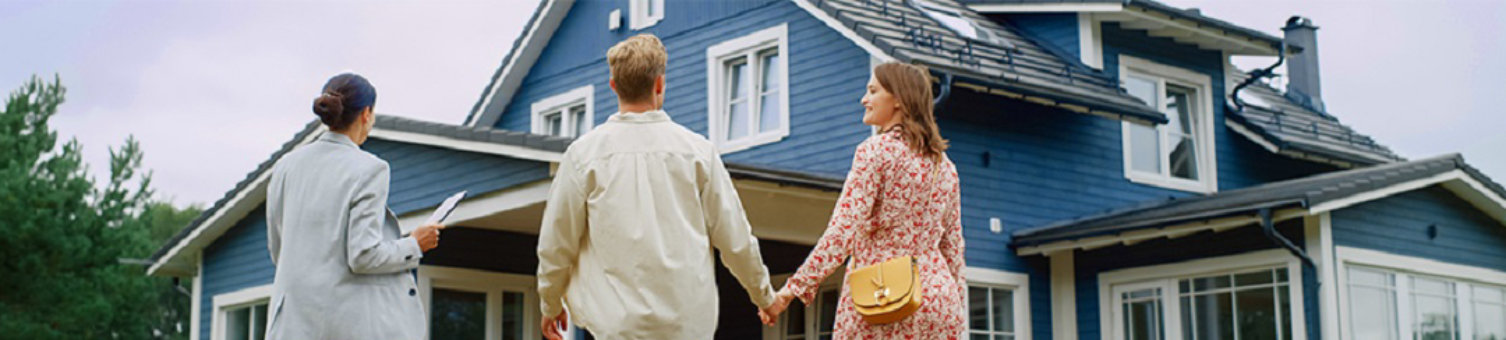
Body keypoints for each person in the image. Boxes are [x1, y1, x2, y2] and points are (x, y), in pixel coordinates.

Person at [535, 34, 780, 340]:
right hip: (688, 328)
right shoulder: (698, 152)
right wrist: (764, 297)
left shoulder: (583, 156)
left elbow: (556, 242)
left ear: (613, 86)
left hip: (617, 329)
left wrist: (550, 302)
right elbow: (735, 239)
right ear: (660, 84)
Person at [759, 62, 967, 338]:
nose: (864, 99)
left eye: (873, 91)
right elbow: (953, 248)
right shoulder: (945, 166)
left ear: (899, 100)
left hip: (885, 296)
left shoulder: (875, 151)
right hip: (939, 301)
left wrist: (793, 289)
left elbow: (844, 229)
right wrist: (956, 307)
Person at [264, 73, 445, 340]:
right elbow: (363, 255)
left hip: (290, 325)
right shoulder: (370, 169)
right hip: (340, 326)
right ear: (366, 113)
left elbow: (278, 249)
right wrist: (414, 244)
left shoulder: (285, 166)